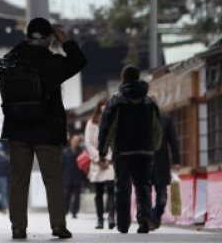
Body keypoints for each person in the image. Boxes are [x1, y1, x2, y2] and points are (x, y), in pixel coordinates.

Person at [1, 18, 86, 240]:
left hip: (17, 128)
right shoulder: (53, 63)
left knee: (19, 179)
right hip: (47, 129)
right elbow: (79, 61)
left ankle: (18, 227)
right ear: (49, 38)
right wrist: (65, 41)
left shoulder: (12, 60)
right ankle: (58, 225)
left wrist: (25, 43)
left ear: (27, 37)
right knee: (53, 179)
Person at [98, 65, 163, 234]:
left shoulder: (116, 100)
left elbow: (108, 127)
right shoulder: (149, 101)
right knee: (144, 187)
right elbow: (157, 127)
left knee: (122, 188)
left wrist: (102, 150)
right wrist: (153, 146)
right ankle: (144, 221)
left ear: (123, 78)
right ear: (138, 77)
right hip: (145, 151)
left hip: (123, 151)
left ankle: (123, 224)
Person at [84, 98, 115, 229]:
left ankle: (111, 216)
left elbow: (113, 141)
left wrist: (108, 158)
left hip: (108, 163)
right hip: (97, 162)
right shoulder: (92, 123)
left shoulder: (112, 121)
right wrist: (98, 158)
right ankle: (100, 219)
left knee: (112, 190)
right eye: (102, 107)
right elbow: (88, 142)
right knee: (99, 192)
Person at [150, 112, 180, 230]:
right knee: (143, 196)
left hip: (161, 162)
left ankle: (156, 215)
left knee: (162, 198)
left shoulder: (166, 120)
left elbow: (173, 141)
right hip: (143, 163)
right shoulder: (139, 118)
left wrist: (176, 160)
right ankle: (149, 219)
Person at [61, 135, 84, 219]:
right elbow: (62, 166)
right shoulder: (65, 152)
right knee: (66, 196)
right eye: (75, 141)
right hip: (67, 178)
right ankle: (65, 211)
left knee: (77, 196)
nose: (76, 143)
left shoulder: (81, 152)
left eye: (78, 141)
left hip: (78, 177)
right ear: (71, 141)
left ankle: (74, 211)